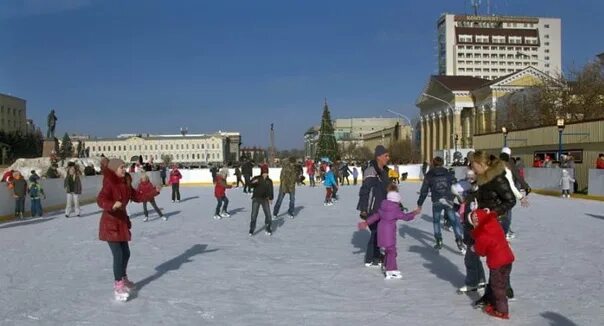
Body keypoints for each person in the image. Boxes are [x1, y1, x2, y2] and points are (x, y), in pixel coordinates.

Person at [469, 150, 517, 307]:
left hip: (497, 221)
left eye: (474, 165)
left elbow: (510, 200)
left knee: (497, 258)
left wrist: (495, 213)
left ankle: (501, 291)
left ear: (482, 164)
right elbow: (483, 198)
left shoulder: (497, 178)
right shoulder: (483, 178)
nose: (472, 168)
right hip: (488, 221)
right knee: (494, 259)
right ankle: (495, 291)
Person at [97, 159, 146, 302]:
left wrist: (153, 191)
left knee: (126, 253)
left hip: (121, 223)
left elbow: (138, 196)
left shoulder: (125, 183)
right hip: (110, 224)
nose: (124, 169)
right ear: (113, 170)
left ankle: (123, 278)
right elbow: (100, 200)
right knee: (118, 254)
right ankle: (118, 285)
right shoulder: (109, 182)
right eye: (121, 167)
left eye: (124, 167)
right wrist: (112, 204)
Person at [358, 184, 420, 279]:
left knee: (388, 250)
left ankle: (387, 266)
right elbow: (406, 217)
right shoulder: (395, 209)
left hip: (381, 231)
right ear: (396, 199)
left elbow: (376, 216)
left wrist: (366, 222)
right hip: (389, 232)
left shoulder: (383, 206)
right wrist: (414, 212)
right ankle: (391, 270)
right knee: (391, 251)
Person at [468, 208, 515, 320]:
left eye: (472, 223)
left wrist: (474, 248)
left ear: (476, 222)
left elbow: (481, 252)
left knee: (497, 287)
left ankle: (502, 311)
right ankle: (498, 303)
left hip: (497, 263)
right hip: (508, 258)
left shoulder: (482, 235)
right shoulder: (494, 224)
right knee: (502, 282)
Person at [416, 156, 465, 252]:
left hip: (437, 201)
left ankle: (438, 240)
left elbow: (424, 191)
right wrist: (456, 197)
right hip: (448, 200)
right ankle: (459, 239)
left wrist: (420, 203)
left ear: (433, 164)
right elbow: (455, 185)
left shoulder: (429, 175)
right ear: (442, 163)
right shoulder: (448, 173)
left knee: (436, 221)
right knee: (454, 221)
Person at [452, 169, 487, 294]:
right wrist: (454, 202)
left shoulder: (478, 194)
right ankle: (481, 280)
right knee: (474, 256)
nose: (469, 180)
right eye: (467, 177)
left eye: (471, 177)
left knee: (470, 258)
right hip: (469, 228)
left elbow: (477, 212)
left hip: (474, 230)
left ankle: (472, 282)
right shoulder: (469, 194)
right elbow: (462, 208)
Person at [357, 145, 391, 267]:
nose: (388, 158)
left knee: (379, 232)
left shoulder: (385, 171)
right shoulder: (370, 171)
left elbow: (388, 190)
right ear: (378, 157)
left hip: (382, 208)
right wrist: (364, 209)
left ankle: (376, 256)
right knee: (376, 231)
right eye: (385, 155)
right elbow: (365, 191)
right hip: (372, 208)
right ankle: (370, 258)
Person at [499, 147, 530, 239]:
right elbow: (517, 176)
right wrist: (525, 187)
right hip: (507, 192)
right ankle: (506, 230)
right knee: (507, 211)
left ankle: (505, 229)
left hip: (497, 192)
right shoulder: (509, 163)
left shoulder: (496, 163)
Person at [249, 164, 274, 236]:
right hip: (256, 198)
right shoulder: (257, 178)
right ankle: (252, 228)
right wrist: (252, 182)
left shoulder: (269, 181)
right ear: (261, 172)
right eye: (264, 173)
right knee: (254, 215)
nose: (265, 174)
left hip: (265, 199)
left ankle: (268, 227)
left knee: (268, 215)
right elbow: (250, 185)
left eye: (266, 173)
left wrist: (271, 198)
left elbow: (271, 190)